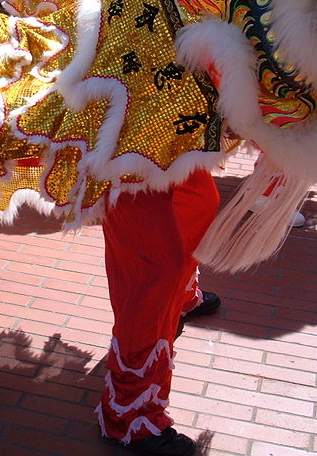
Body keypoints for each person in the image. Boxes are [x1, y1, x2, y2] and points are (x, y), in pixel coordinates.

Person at [97, 170, 220, 456]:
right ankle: (128, 417)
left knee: (199, 201)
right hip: (132, 153)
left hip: (173, 142)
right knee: (152, 275)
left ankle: (183, 297)